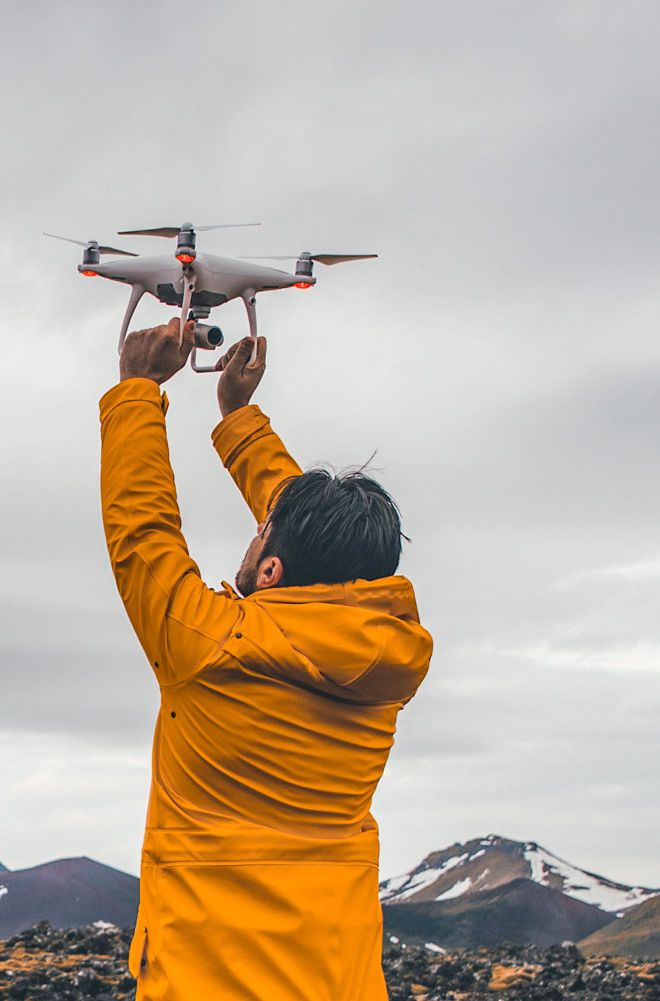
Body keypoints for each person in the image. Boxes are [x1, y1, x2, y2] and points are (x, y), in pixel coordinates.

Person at [99, 318, 433, 1001]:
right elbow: (316, 544)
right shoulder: (383, 659)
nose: (253, 535)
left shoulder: (210, 646)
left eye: (260, 536)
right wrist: (239, 419)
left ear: (271, 567)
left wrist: (137, 390)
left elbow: (143, 530)